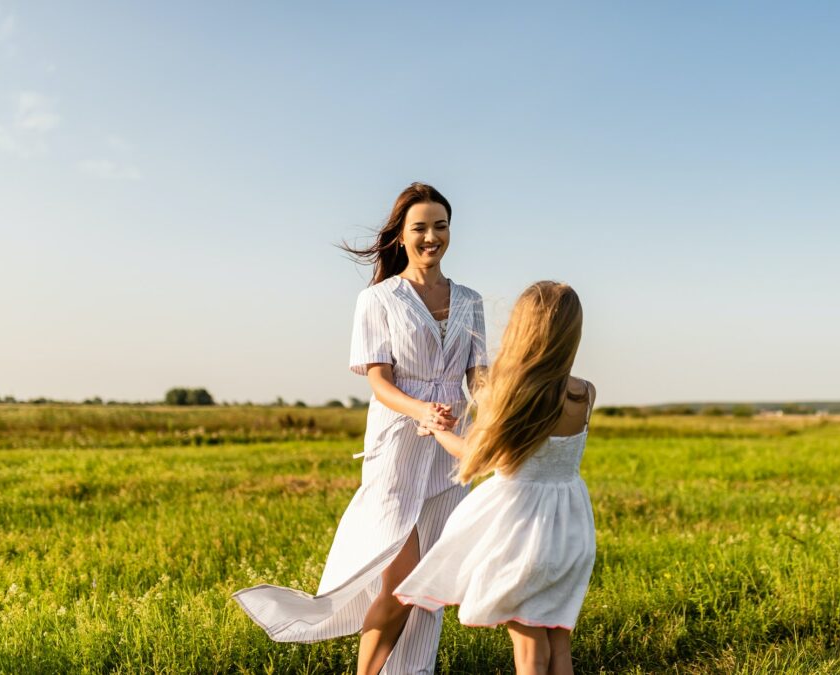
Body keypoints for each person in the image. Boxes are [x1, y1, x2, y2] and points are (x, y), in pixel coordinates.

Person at [233, 183, 487, 675]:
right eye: (421, 228)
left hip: (453, 448)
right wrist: (420, 412)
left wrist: (495, 411)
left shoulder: (471, 300)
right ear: (401, 235)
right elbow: (379, 382)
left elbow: (478, 376)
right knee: (402, 580)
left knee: (426, 587)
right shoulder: (378, 299)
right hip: (399, 441)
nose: (432, 236)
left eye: (441, 226)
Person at [394, 281, 597, 675]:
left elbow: (477, 457)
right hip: (570, 530)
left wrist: (437, 430)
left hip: (523, 533)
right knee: (556, 640)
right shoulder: (585, 393)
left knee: (528, 649)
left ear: (521, 328)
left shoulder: (508, 391)